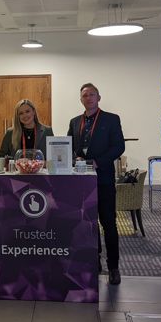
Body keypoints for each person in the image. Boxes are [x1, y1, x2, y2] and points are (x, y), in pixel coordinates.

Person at [67, 83, 125, 285]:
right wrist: (73, 158)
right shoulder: (75, 122)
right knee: (87, 224)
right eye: (85, 95)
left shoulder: (111, 119)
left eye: (92, 95)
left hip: (103, 179)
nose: (89, 98)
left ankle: (113, 267)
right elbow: (69, 146)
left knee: (108, 223)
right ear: (81, 99)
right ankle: (94, 260)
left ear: (99, 97)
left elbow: (119, 146)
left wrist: (97, 161)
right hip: (81, 181)